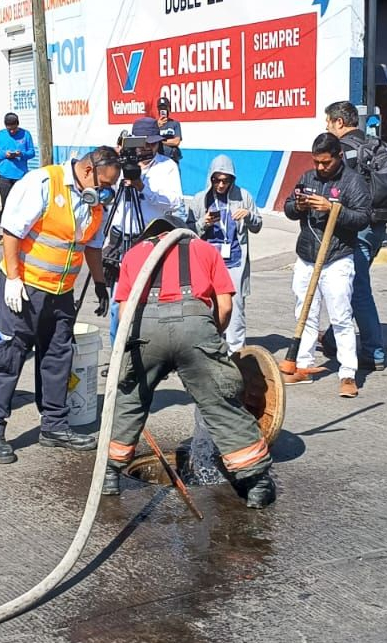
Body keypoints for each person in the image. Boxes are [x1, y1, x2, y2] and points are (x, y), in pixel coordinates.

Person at [102, 218, 275, 509]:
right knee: (221, 401)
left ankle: (108, 474)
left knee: (129, 399)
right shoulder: (204, 249)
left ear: (153, 235)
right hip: (196, 327)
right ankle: (256, 483)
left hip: (146, 331)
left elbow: (122, 310)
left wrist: (129, 349)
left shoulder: (134, 253)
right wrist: (210, 338)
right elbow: (226, 304)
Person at [0, 147, 121, 464]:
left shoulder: (94, 201)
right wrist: (13, 278)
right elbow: (12, 232)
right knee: (7, 355)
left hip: (61, 293)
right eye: (102, 186)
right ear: (87, 171)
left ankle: (54, 427)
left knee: (58, 355)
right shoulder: (43, 183)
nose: (104, 193)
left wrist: (99, 284)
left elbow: (92, 246)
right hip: (25, 288)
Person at [322, 101, 387, 371]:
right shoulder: (380, 146)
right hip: (378, 227)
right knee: (349, 283)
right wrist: (380, 211)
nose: (326, 127)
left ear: (339, 122)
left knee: (358, 288)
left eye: (328, 122)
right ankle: (332, 339)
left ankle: (374, 352)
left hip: (354, 228)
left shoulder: (342, 152)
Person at [282, 132, 371, 396]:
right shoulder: (308, 178)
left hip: (337, 257)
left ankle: (347, 374)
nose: (320, 168)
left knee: (341, 316)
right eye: (316, 162)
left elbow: (363, 218)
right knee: (305, 312)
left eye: (326, 163)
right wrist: (298, 206)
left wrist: (333, 209)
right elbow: (288, 207)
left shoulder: (353, 182)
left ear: (338, 157)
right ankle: (304, 365)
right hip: (307, 255)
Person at [106, 116, 185, 340]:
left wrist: (142, 187)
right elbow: (107, 196)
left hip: (149, 236)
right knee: (117, 302)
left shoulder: (166, 166)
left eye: (152, 142)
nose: (147, 147)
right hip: (121, 237)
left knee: (149, 299)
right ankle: (117, 357)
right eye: (143, 142)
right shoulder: (120, 165)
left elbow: (174, 201)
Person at [189, 155, 262, 353]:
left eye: (225, 180)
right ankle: (209, 348)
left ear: (232, 179)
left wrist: (248, 216)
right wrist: (203, 223)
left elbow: (258, 226)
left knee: (235, 308)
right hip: (207, 262)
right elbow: (189, 232)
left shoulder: (244, 196)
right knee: (205, 306)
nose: (221, 185)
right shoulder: (199, 199)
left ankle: (236, 352)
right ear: (210, 178)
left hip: (234, 261)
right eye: (217, 180)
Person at [0, 112, 36, 207]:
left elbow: (32, 153)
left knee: (21, 204)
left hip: (21, 176)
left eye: (14, 129)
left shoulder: (26, 134)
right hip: (4, 176)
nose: (12, 131)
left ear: (18, 124)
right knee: (6, 204)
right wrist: (4, 154)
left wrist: (21, 154)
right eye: (9, 129)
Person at [156, 96, 182, 167]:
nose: (162, 109)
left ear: (169, 109)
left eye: (164, 107)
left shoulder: (175, 123)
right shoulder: (154, 124)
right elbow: (150, 140)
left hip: (172, 159)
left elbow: (176, 141)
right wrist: (157, 126)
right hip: (158, 160)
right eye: (160, 108)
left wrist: (160, 141)